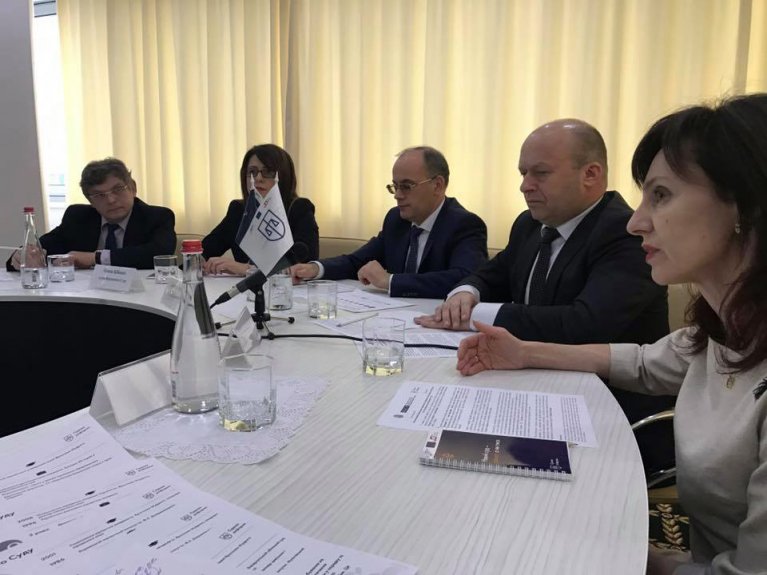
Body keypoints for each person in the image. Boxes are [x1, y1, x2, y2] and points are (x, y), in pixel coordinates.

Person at [455, 94, 767, 574]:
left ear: (746, 205)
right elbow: (641, 362)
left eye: (660, 195)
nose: (637, 222)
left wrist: (629, 557)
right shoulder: (723, 330)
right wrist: (522, 352)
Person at [415, 120, 672, 433]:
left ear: (590, 174)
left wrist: (474, 316)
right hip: (531, 383)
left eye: (540, 173)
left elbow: (584, 325)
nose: (525, 185)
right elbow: (495, 274)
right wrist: (465, 293)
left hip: (610, 411)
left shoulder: (625, 233)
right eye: (523, 173)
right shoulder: (530, 224)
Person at [289, 146, 488, 299]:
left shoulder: (464, 224)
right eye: (394, 186)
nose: (397, 195)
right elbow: (356, 261)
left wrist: (391, 281)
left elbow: (465, 278)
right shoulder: (396, 220)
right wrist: (316, 269)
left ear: (437, 185)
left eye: (407, 186)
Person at [6, 157, 175, 271]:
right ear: (90, 201)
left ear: (133, 188)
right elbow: (42, 247)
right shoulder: (77, 217)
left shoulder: (157, 217)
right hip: (88, 302)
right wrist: (22, 257)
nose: (111, 200)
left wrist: (95, 258)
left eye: (117, 189)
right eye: (100, 195)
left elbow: (159, 254)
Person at [202, 144, 318, 276]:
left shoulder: (299, 209)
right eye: (252, 172)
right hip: (243, 289)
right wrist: (198, 261)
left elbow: (305, 268)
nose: (258, 178)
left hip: (285, 289)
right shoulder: (239, 210)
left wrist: (247, 269)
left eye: (268, 172)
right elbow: (204, 251)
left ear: (284, 176)